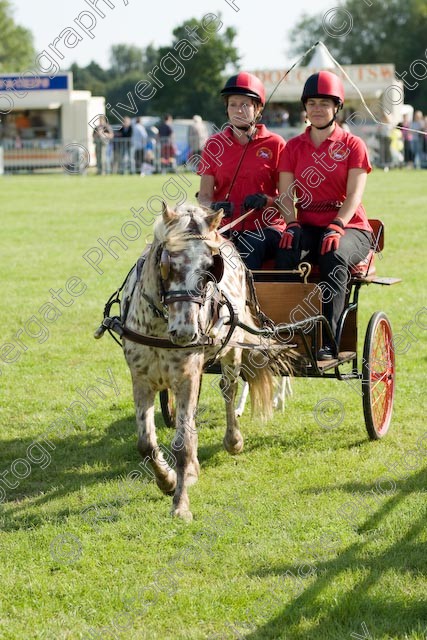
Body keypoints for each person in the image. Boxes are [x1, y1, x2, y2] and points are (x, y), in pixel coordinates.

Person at [276, 70, 373, 360]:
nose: (317, 109)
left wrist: (337, 224)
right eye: (312, 103)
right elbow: (284, 195)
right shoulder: (292, 147)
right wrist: (290, 224)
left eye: (324, 103)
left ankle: (329, 339)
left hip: (350, 226)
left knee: (333, 255)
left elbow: (355, 195)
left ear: (337, 107)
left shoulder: (353, 145)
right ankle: (287, 332)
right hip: (308, 224)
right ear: (305, 108)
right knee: (286, 250)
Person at [197, 72, 286, 269]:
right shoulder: (214, 144)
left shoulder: (276, 144)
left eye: (245, 104)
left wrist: (267, 200)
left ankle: (246, 301)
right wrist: (214, 206)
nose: (238, 110)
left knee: (247, 246)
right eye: (233, 104)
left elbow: (288, 200)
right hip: (224, 228)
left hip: (267, 228)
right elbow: (203, 196)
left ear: (258, 108)